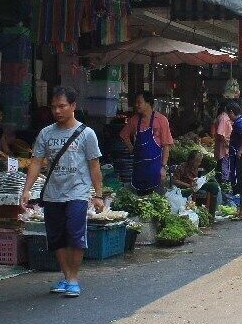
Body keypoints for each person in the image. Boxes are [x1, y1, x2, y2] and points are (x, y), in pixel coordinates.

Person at [21, 86, 104, 298]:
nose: (57, 111)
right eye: (53, 107)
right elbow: (36, 162)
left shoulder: (87, 134)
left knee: (75, 237)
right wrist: (26, 190)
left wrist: (98, 194)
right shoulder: (45, 133)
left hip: (77, 192)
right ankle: (67, 276)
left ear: (73, 106)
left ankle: (74, 279)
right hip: (52, 193)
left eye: (62, 106)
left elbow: (94, 166)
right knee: (57, 238)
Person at [120, 91, 174, 193]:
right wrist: (131, 149)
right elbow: (123, 135)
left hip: (155, 169)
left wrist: (163, 168)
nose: (136, 105)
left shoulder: (161, 120)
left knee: (157, 201)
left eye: (139, 102)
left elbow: (166, 145)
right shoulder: (134, 120)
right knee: (140, 200)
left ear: (148, 103)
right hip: (139, 169)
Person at [172, 150, 220, 215]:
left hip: (196, 186)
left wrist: (201, 180)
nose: (199, 163)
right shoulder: (182, 167)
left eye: (200, 161)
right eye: (197, 161)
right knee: (193, 189)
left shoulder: (197, 168)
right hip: (186, 188)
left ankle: (211, 214)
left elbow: (197, 179)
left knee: (214, 185)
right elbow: (175, 180)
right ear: (191, 160)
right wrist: (188, 185)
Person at [226, 101, 242, 219]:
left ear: (231, 112)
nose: (228, 116)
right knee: (240, 183)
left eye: (228, 113)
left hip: (240, 156)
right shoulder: (240, 121)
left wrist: (240, 149)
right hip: (239, 155)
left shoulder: (239, 122)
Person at [211, 102, 232, 184]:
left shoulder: (222, 117)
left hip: (222, 147)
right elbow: (220, 133)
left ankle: (223, 181)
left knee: (222, 165)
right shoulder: (224, 118)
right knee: (223, 166)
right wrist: (226, 143)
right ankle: (224, 183)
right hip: (223, 148)